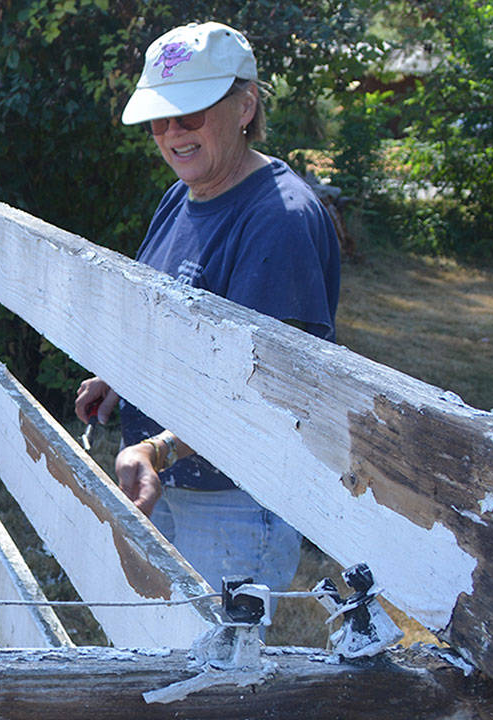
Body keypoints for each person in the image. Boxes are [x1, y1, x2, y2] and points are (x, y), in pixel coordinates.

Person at [75, 21, 340, 611]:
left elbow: (265, 392)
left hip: (233, 503)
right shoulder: (184, 194)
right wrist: (121, 378)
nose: (172, 134)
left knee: (215, 687)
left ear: (245, 104)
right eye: (159, 119)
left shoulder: (279, 220)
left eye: (190, 115)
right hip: (163, 481)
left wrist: (157, 451)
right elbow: (169, 318)